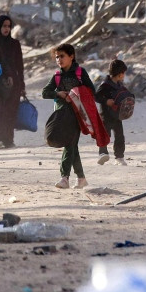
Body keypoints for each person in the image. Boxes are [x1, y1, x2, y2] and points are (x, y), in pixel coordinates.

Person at [42, 43, 95, 189]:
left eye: (62, 56)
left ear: (71, 56)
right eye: (57, 57)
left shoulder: (80, 73)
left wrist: (75, 94)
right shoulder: (57, 76)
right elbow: (45, 92)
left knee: (70, 144)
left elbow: (91, 90)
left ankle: (64, 178)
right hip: (61, 115)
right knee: (71, 145)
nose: (59, 59)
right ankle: (81, 178)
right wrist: (57, 93)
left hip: (77, 114)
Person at [0, 14, 25, 148]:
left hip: (13, 83)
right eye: (3, 26)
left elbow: (19, 66)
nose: (6, 29)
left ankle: (8, 140)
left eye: (8, 26)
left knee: (11, 111)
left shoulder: (14, 43)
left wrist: (22, 84)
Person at [95, 59, 129, 166]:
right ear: (119, 74)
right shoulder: (104, 85)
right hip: (106, 116)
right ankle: (103, 154)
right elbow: (96, 97)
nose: (124, 76)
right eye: (123, 73)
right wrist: (106, 101)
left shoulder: (120, 85)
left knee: (119, 136)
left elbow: (125, 95)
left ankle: (119, 157)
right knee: (105, 135)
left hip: (117, 116)